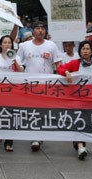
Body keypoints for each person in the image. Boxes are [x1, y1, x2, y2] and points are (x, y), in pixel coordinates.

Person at [17, 21, 62, 151]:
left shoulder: (51, 45)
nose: (40, 31)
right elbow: (17, 62)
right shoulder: (24, 46)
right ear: (33, 31)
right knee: (32, 110)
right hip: (29, 84)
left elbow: (58, 64)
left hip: (46, 84)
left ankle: (39, 134)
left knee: (43, 110)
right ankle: (34, 137)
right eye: (37, 28)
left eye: (42, 28)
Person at [57, 40, 92, 160]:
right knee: (78, 120)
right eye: (83, 49)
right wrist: (66, 72)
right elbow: (60, 69)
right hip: (75, 98)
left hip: (89, 100)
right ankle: (81, 146)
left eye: (87, 49)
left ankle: (80, 144)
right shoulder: (75, 63)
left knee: (85, 122)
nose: (85, 51)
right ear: (80, 51)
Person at [0, 35, 24, 152]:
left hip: (12, 91)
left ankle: (9, 141)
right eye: (5, 42)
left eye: (9, 43)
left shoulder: (16, 57)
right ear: (1, 45)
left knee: (10, 115)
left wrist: (13, 60)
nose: (7, 45)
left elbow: (22, 71)